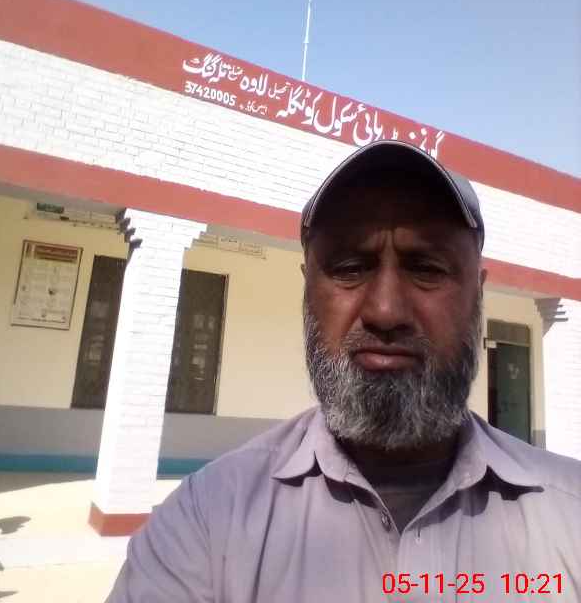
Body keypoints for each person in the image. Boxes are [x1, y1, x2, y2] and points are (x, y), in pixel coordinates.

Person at [107, 141, 581, 602]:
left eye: (427, 268)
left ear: (477, 292)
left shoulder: (570, 513)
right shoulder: (206, 524)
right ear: (307, 292)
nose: (385, 311)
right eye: (350, 268)